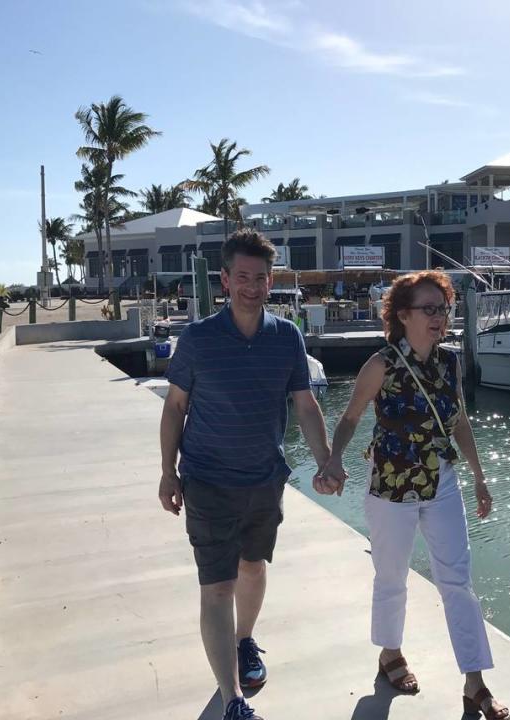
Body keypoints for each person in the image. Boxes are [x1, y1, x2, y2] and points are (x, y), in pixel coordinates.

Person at [159, 230, 344, 720]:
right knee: (217, 586)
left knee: (253, 568)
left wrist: (325, 459)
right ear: (224, 279)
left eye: (260, 278)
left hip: (264, 479)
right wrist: (166, 472)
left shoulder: (287, 337)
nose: (252, 286)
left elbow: (305, 407)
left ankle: (245, 640)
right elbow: (175, 408)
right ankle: (232, 701)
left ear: (270, 281)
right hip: (207, 481)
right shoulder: (197, 339)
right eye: (242, 276)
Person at [318, 270, 510, 719]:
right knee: (391, 577)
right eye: (429, 309)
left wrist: (479, 477)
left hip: (440, 482)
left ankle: (475, 683)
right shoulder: (381, 364)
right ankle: (390, 654)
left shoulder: (450, 364)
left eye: (443, 308)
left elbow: (458, 421)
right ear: (403, 315)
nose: (439, 317)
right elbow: (349, 418)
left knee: (458, 583)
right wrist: (334, 459)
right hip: (390, 484)